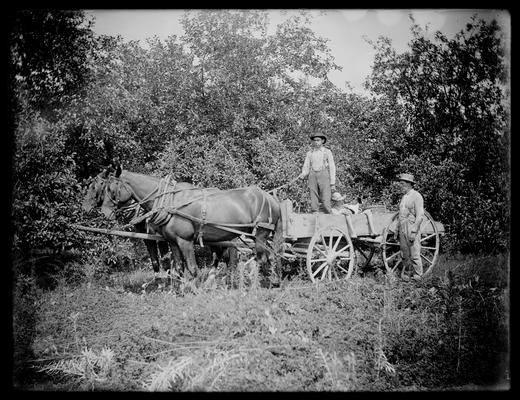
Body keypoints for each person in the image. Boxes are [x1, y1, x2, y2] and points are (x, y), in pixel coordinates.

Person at [298, 133, 336, 214]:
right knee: (313, 196)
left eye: (318, 140)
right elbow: (306, 166)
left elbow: (332, 167)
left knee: (325, 198)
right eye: (314, 140)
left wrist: (333, 182)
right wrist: (303, 174)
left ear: (322, 141)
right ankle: (315, 213)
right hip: (312, 175)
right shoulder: (310, 153)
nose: (316, 142)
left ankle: (329, 214)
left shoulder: (327, 152)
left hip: (323, 174)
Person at [396, 173, 424, 280]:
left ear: (409, 184)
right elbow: (400, 214)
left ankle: (418, 276)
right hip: (402, 227)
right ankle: (407, 274)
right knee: (404, 253)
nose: (400, 186)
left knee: (415, 253)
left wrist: (414, 231)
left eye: (402, 184)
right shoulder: (404, 197)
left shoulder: (417, 196)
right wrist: (396, 229)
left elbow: (420, 215)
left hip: (412, 226)